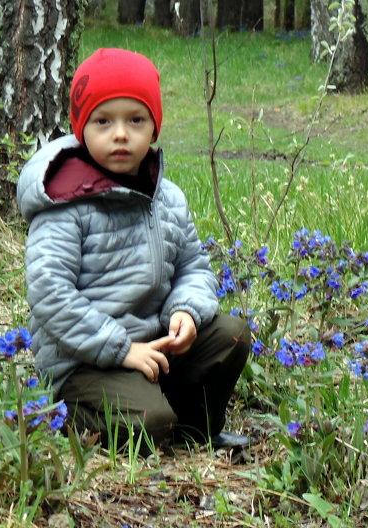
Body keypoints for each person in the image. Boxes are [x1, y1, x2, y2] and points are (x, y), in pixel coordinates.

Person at [17, 48, 250, 452]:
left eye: (135, 120)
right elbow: (49, 294)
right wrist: (122, 349)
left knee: (231, 334)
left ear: (154, 128)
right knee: (150, 424)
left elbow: (193, 266)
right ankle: (69, 415)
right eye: (103, 121)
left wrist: (185, 310)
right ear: (80, 128)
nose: (120, 134)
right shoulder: (66, 201)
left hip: (152, 347)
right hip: (84, 362)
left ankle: (196, 429)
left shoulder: (166, 197)